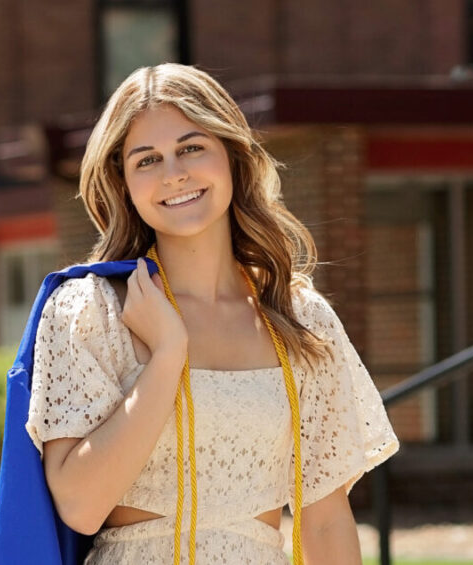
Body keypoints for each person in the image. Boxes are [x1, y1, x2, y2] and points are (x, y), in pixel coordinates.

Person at [24, 63, 399, 564]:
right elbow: (80, 506)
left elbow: (327, 521)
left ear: (232, 156)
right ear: (124, 183)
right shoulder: (90, 309)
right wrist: (166, 355)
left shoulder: (302, 319)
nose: (173, 174)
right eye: (147, 160)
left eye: (192, 147)